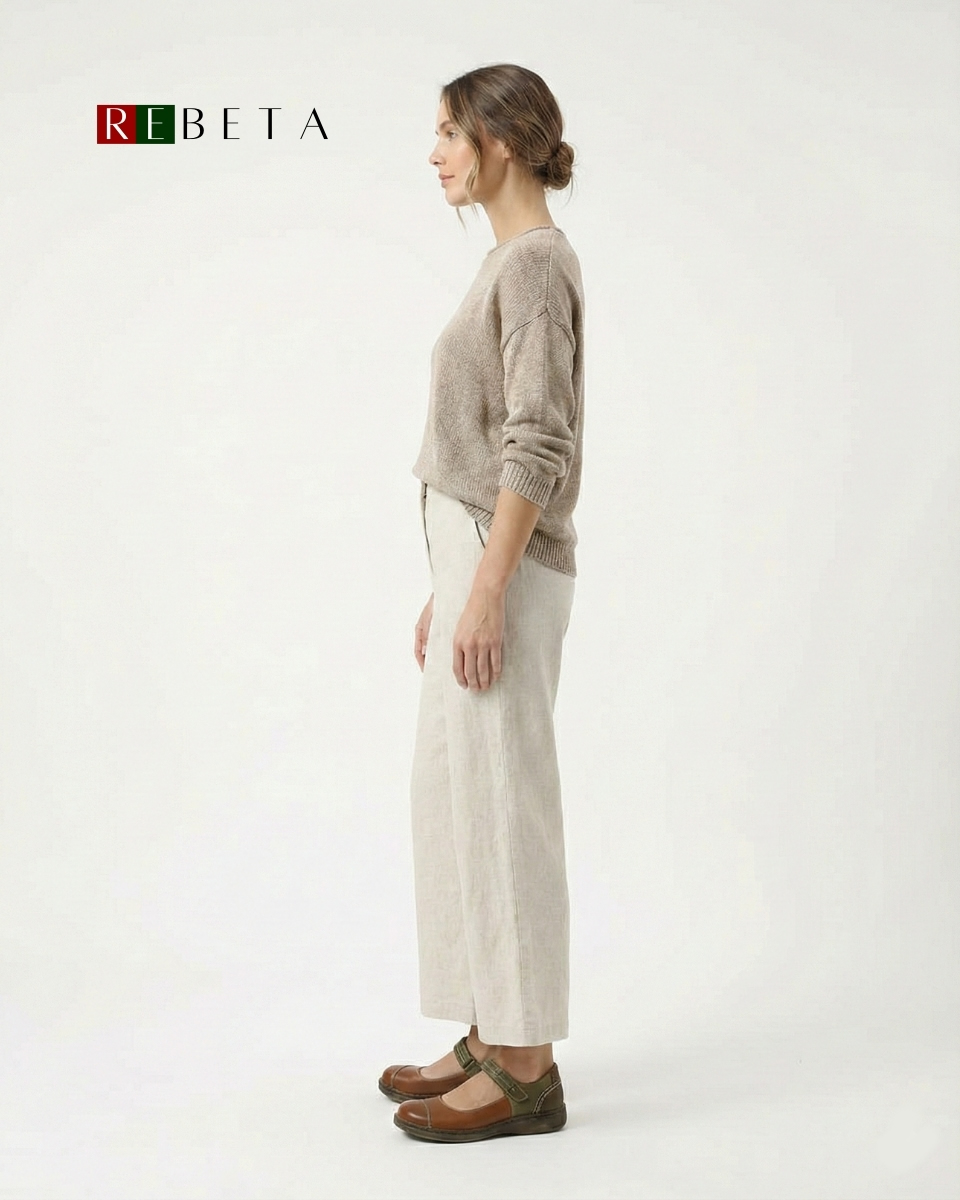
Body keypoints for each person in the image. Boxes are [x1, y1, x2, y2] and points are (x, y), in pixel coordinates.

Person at [380, 62, 586, 1143]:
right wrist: (448, 588)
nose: (435, 153)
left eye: (450, 132)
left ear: (500, 140)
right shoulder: (507, 263)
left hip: (504, 566)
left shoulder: (537, 266)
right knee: (455, 796)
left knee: (506, 806)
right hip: (470, 563)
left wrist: (490, 584)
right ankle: (485, 1033)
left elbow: (538, 439)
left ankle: (527, 1067)